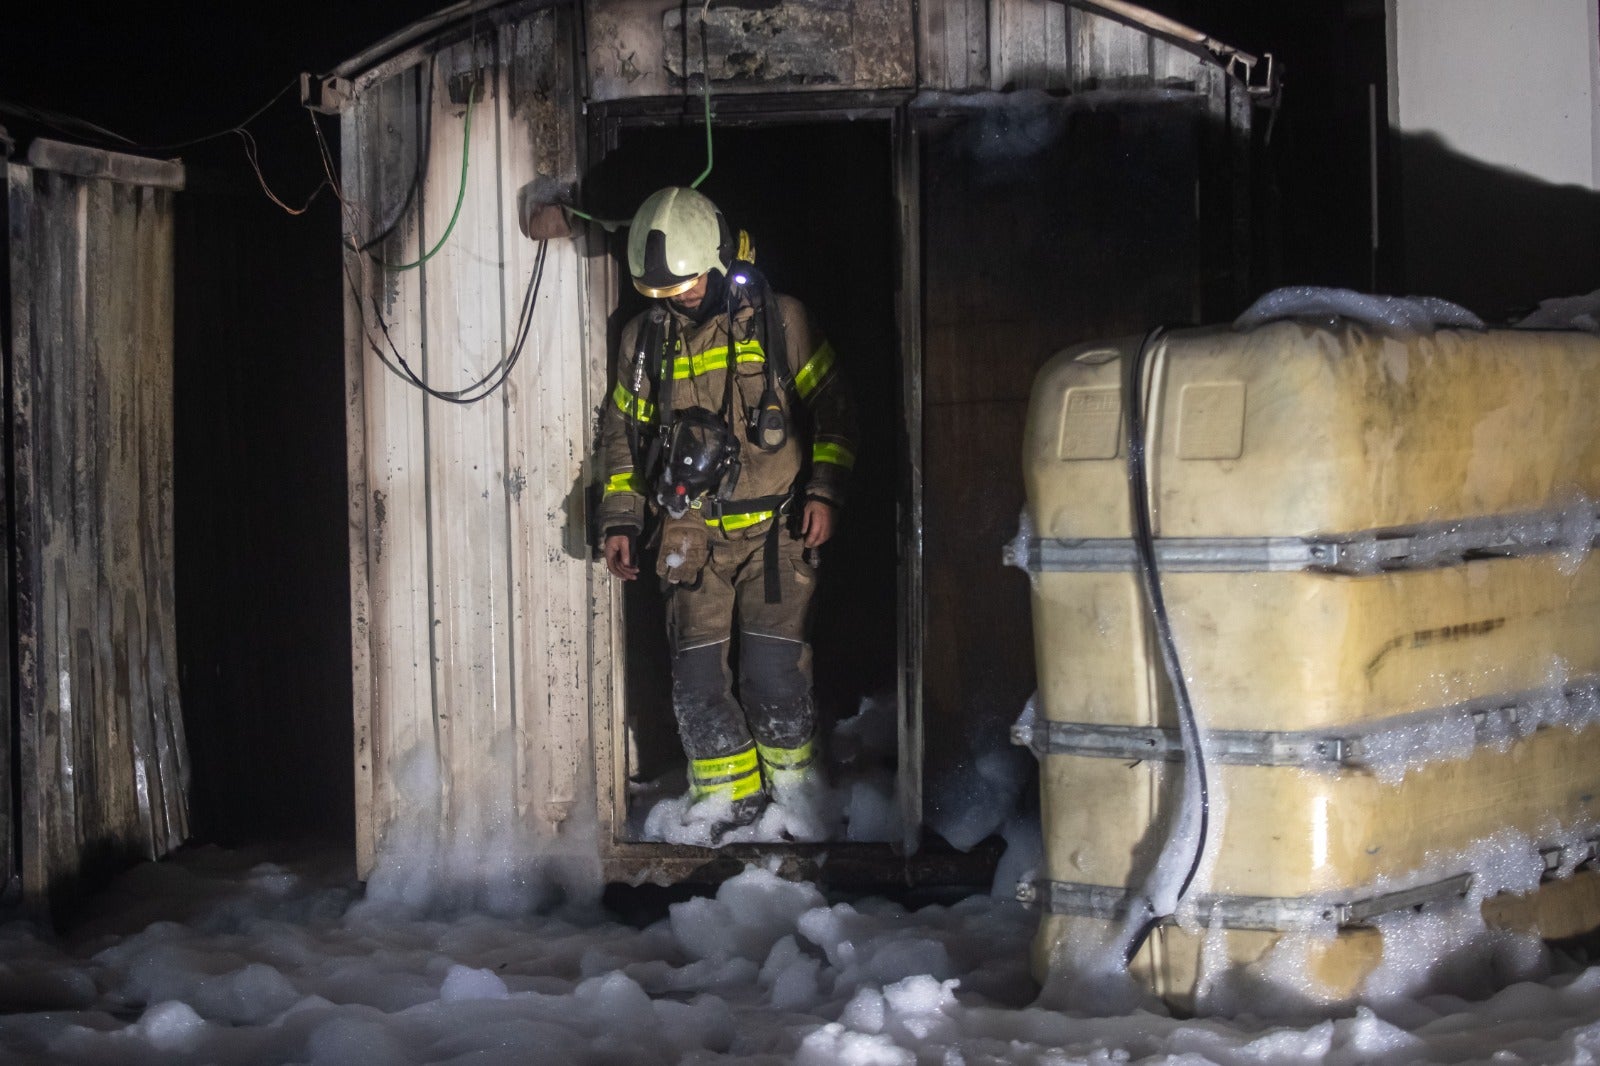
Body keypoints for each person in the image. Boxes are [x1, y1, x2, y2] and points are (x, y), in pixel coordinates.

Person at [598, 186, 857, 839]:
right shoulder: (643, 339)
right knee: (694, 678)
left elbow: (836, 407)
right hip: (684, 533)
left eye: (683, 284)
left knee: (773, 675)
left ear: (717, 261)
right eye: (657, 291)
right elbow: (620, 436)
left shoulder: (781, 321)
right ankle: (727, 806)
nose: (673, 298)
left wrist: (824, 491)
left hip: (775, 531)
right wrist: (622, 519)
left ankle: (797, 806)